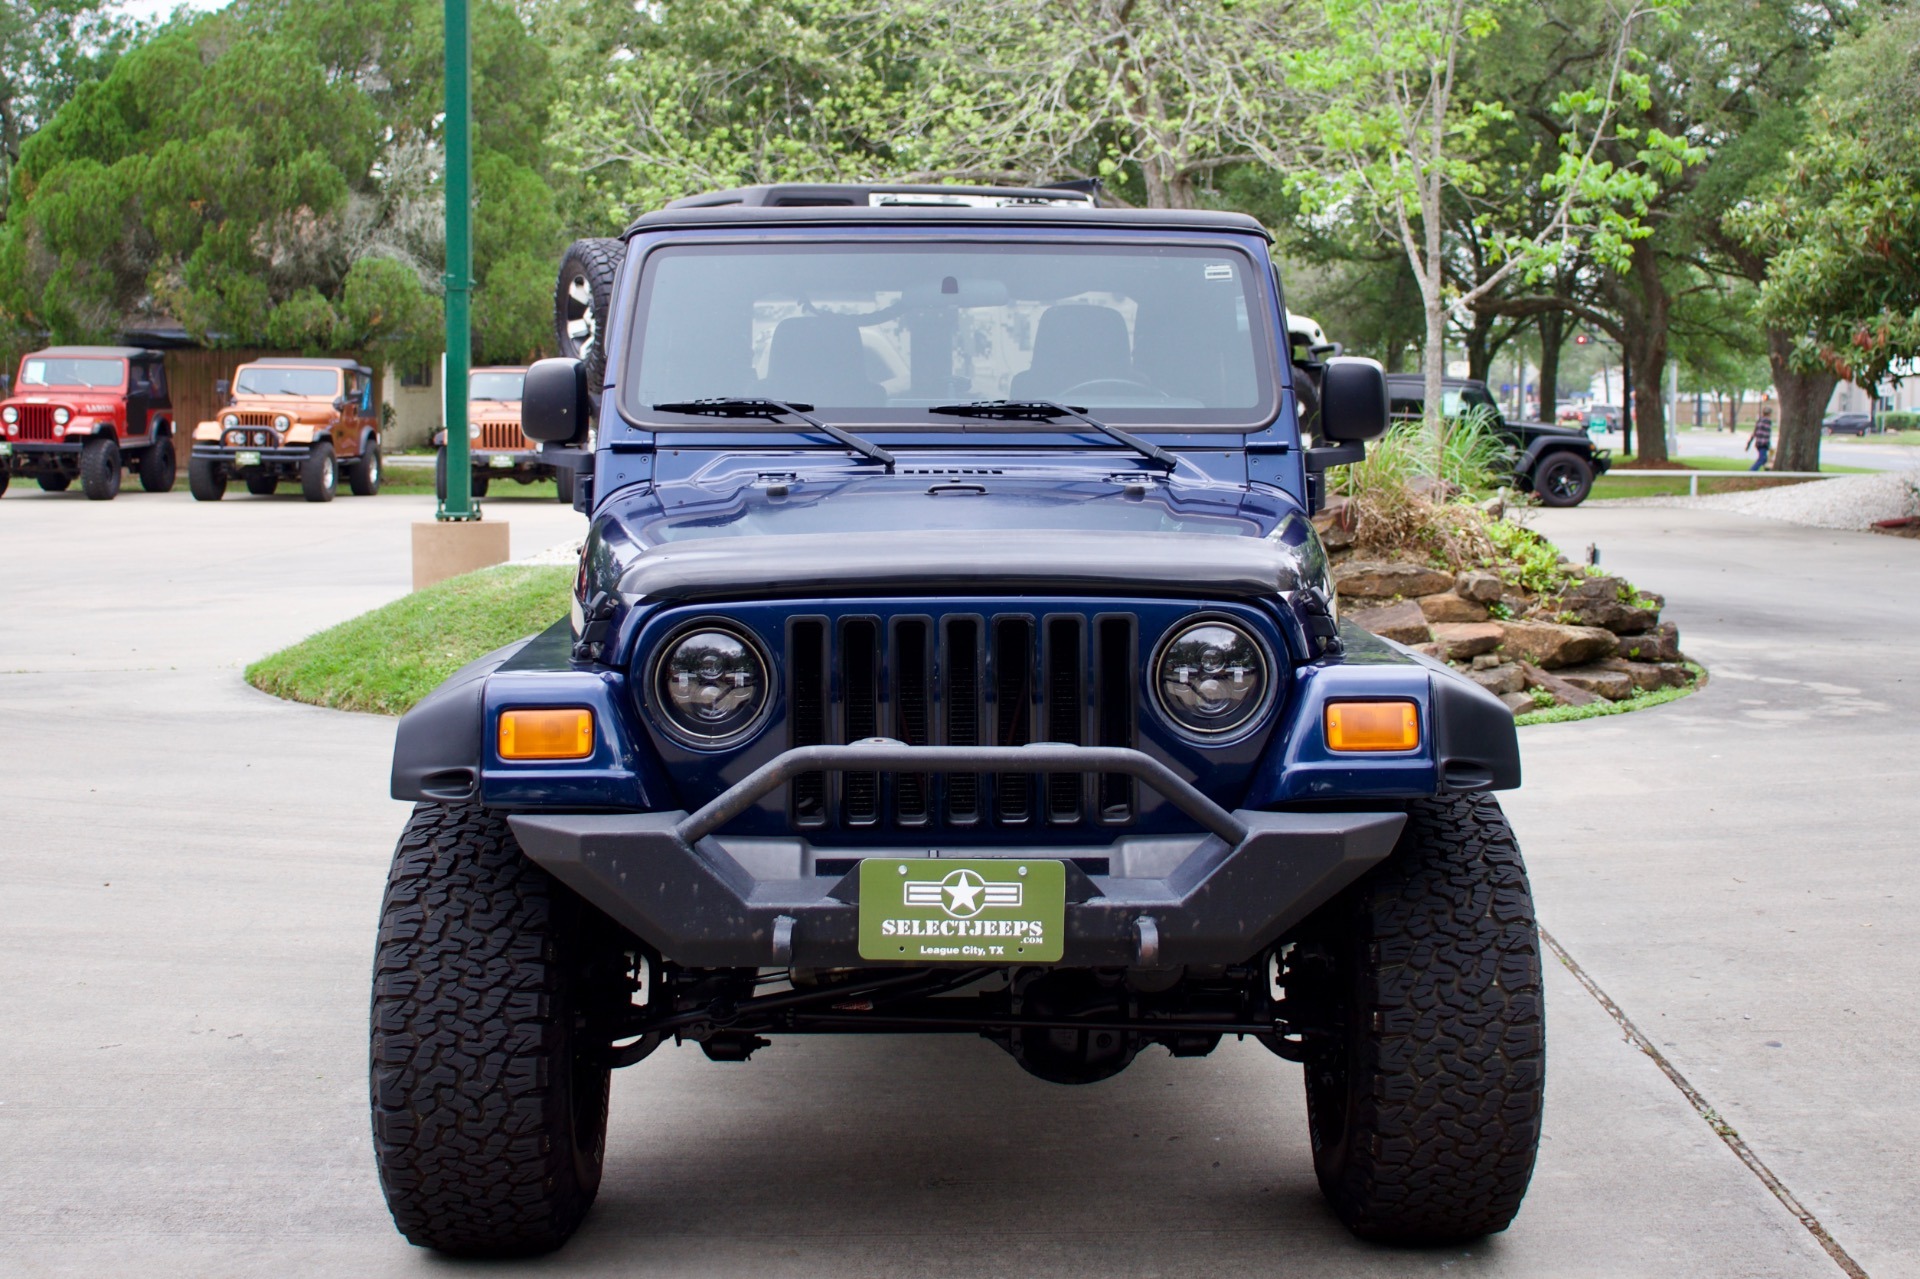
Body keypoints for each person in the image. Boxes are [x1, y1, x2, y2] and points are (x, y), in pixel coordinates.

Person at [1746, 405, 1773, 470]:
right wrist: (1769, 445)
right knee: (1762, 459)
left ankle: (1769, 473)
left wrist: (1748, 444)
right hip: (1764, 444)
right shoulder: (1768, 421)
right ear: (1769, 413)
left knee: (1765, 460)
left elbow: (1754, 433)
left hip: (1758, 443)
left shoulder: (1759, 421)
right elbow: (1767, 435)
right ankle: (1751, 472)